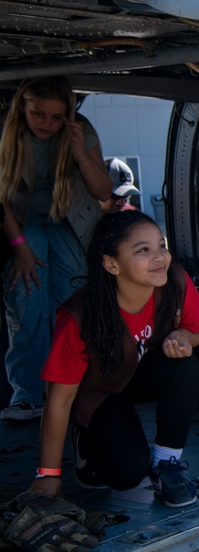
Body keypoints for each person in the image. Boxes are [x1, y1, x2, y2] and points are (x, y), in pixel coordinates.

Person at [30, 211, 199, 508]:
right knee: (125, 475)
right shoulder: (79, 316)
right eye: (143, 250)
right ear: (111, 264)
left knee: (185, 365)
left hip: (137, 375)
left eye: (161, 246)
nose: (159, 257)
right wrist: (48, 474)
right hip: (98, 392)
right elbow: (58, 401)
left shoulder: (175, 280)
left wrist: (183, 338)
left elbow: (198, 330)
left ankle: (167, 464)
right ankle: (84, 437)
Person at [0, 77, 113, 421]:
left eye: (55, 117)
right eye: (38, 115)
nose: (46, 124)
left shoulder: (81, 131)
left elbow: (104, 191)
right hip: (21, 225)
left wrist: (80, 155)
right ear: (22, 108)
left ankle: (70, 390)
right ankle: (29, 394)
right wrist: (19, 247)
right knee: (27, 303)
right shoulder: (7, 133)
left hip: (69, 224)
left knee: (70, 307)